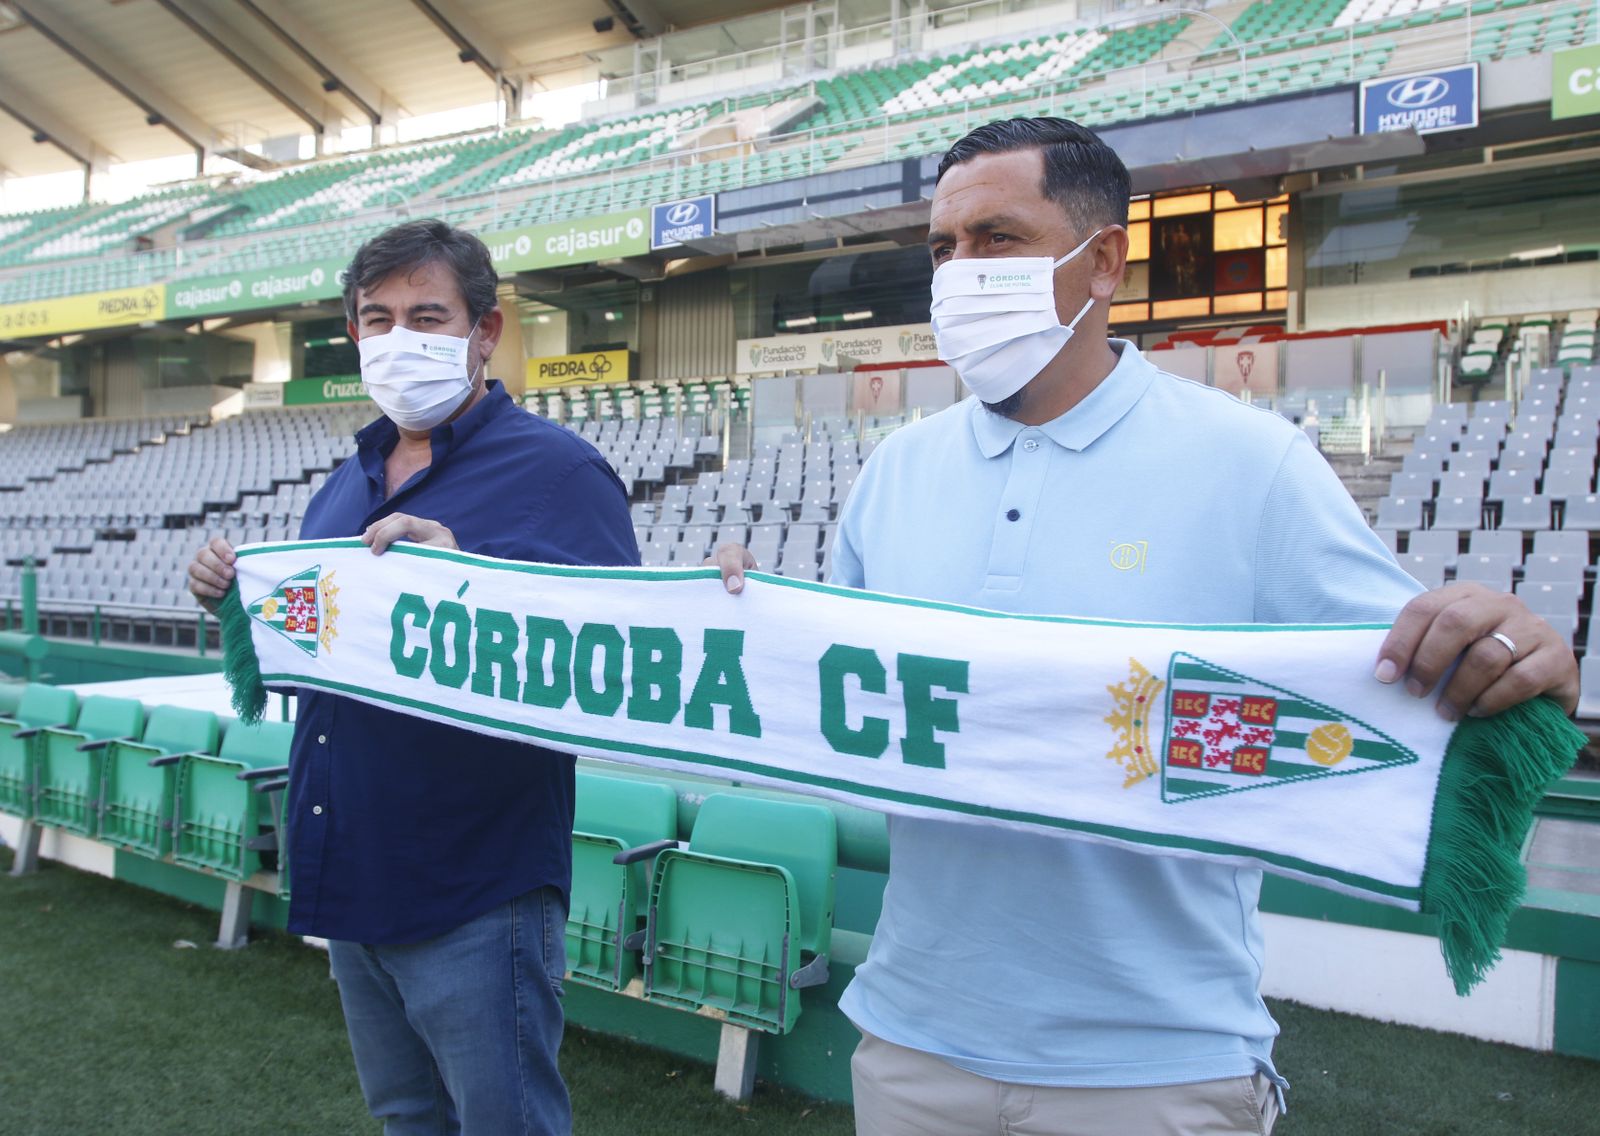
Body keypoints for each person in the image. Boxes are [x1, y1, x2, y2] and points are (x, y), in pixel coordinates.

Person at [709, 118, 1578, 1136]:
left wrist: (1521, 649)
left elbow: (1426, 668)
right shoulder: (895, 473)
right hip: (911, 1045)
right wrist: (740, 617)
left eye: (996, 238)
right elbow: (845, 705)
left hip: (1154, 1064)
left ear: (1104, 260)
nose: (958, 273)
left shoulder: (1252, 464)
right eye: (943, 249)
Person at [189, 219, 638, 1136]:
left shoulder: (562, 473)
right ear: (354, 333)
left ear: (486, 330)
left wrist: (466, 579)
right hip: (353, 863)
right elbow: (330, 643)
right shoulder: (346, 480)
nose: (398, 338)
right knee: (405, 1120)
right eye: (377, 317)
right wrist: (239, 607)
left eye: (426, 315)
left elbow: (612, 663)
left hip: (473, 881)